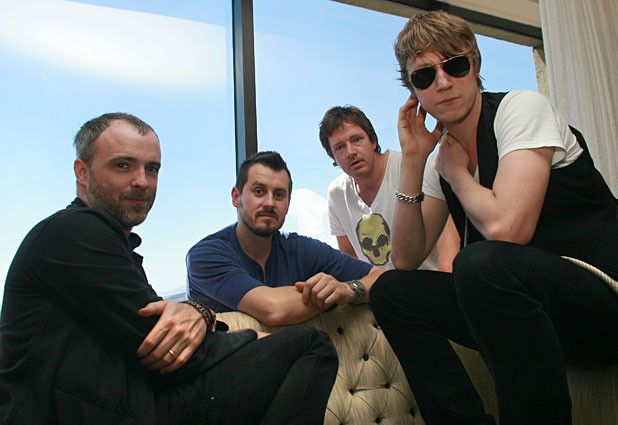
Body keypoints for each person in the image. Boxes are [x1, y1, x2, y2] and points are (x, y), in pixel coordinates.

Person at [0, 113, 338, 425]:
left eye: (152, 169)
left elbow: (159, 323)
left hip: (134, 406)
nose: (142, 181)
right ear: (82, 172)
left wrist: (199, 314)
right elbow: (161, 338)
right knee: (311, 346)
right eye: (123, 165)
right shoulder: (73, 232)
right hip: (79, 414)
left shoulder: (117, 246)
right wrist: (252, 339)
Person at [369, 10, 618, 425]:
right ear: (413, 91)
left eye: (454, 66)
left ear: (475, 65)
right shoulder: (439, 160)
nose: (442, 83)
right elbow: (406, 258)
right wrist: (413, 160)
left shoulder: (519, 109)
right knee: (392, 291)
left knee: (480, 262)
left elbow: (508, 229)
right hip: (535, 315)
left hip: (602, 302)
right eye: (424, 76)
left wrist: (457, 175)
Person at [186, 151, 385, 326]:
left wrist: (348, 290)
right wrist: (331, 297)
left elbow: (381, 277)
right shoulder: (205, 255)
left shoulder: (300, 248)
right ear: (236, 197)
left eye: (279, 195)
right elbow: (274, 309)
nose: (269, 203)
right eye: (259, 191)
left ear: (288, 205)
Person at [319, 105, 459, 271]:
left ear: (373, 141)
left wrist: (450, 280)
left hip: (430, 279)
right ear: (333, 157)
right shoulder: (337, 193)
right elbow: (349, 255)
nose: (350, 152)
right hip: (380, 284)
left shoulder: (410, 167)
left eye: (356, 140)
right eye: (339, 147)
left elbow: (446, 235)